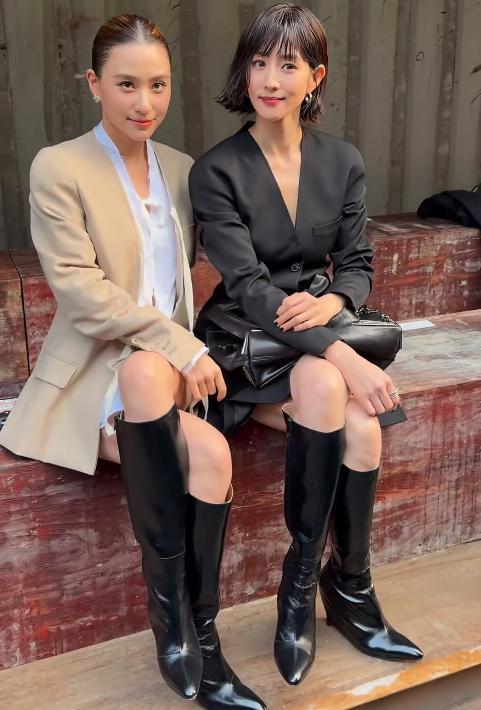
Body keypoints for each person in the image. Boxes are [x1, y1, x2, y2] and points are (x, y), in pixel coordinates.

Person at [0, 14, 266, 710]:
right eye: (125, 84)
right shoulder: (59, 166)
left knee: (212, 453)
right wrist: (180, 346)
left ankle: (196, 633)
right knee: (147, 372)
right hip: (97, 372)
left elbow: (203, 271)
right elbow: (82, 294)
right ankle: (175, 630)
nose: (144, 102)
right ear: (94, 84)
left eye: (158, 85)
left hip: (165, 379)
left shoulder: (181, 169)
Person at [190, 3, 423, 687]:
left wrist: (337, 303)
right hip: (246, 343)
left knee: (363, 430)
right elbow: (249, 289)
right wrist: (341, 351)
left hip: (313, 334)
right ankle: (302, 590)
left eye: (287, 65)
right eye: (259, 62)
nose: (270, 79)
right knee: (328, 383)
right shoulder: (217, 170)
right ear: (245, 72)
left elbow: (356, 261)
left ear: (314, 76)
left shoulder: (341, 161)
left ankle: (344, 588)